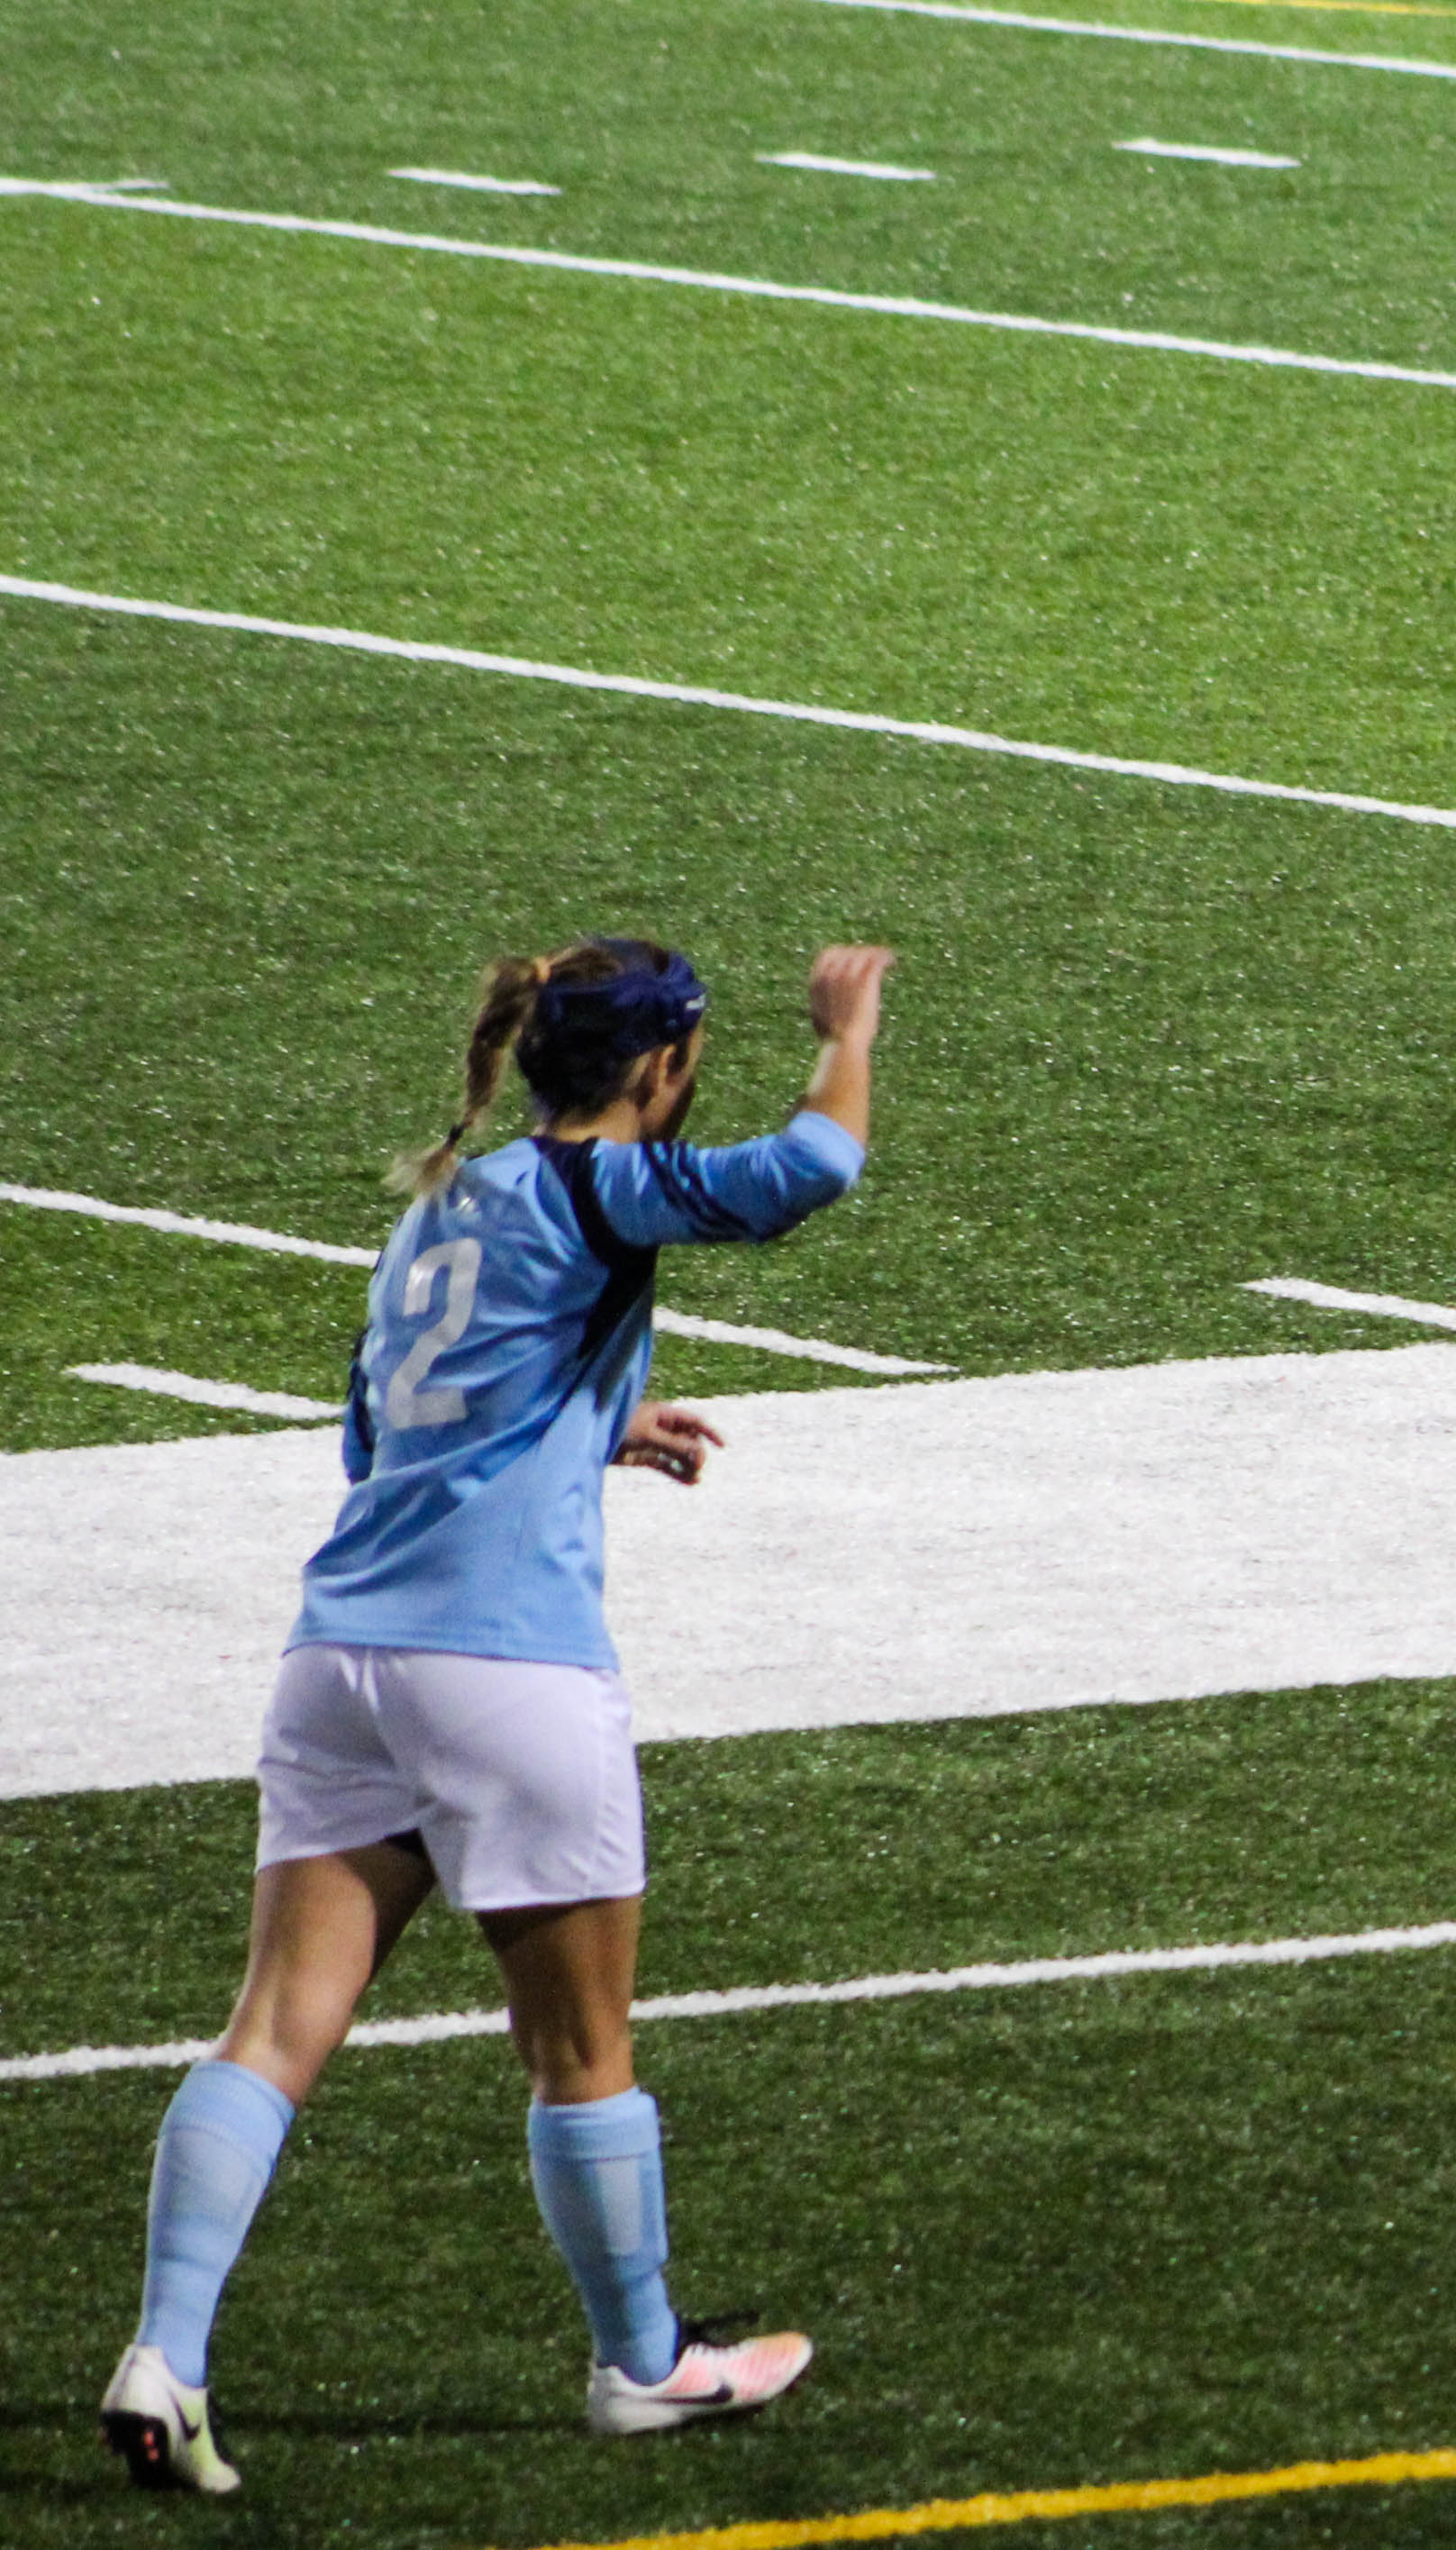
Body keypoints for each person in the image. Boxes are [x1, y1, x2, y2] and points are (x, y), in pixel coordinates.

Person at [99, 937, 896, 2495]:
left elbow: (387, 1433)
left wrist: (588, 1424)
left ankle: (166, 2353)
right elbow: (815, 1168)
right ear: (657, 1070)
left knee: (271, 2030)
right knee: (580, 2047)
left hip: (338, 1663)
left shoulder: (436, 1210)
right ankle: (646, 2362)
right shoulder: (608, 1187)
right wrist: (844, 1032)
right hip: (510, 1670)